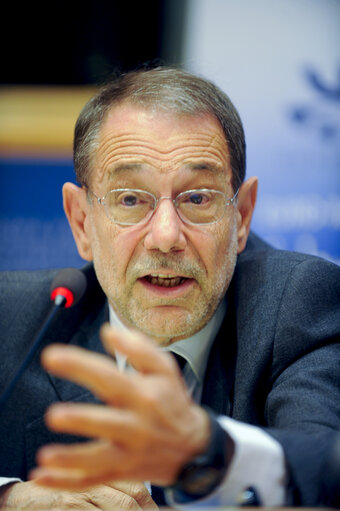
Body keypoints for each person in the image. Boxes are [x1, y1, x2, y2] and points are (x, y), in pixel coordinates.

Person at [0, 66, 339, 510]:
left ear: (242, 216)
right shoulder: (13, 318)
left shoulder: (299, 305)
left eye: (198, 198)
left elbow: (325, 478)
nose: (165, 236)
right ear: (81, 222)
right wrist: (10, 497)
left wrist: (207, 451)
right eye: (129, 199)